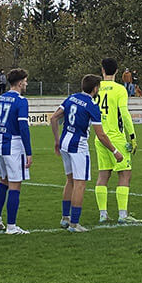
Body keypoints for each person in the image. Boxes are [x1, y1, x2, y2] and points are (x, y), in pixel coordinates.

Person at [50, 74, 120, 232]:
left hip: (65, 142)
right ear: (95, 88)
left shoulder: (72, 98)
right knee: (80, 184)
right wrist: (115, 151)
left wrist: (56, 140)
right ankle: (74, 224)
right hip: (78, 146)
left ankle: (65, 218)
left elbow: (54, 118)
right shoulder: (92, 105)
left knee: (70, 181)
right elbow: (101, 135)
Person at [92, 57, 141, 224]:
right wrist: (132, 136)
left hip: (99, 137)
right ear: (117, 71)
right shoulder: (120, 89)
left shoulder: (96, 88)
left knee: (103, 175)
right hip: (116, 138)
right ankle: (122, 214)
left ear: (102, 70)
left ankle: (103, 214)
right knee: (125, 174)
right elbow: (125, 114)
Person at [0, 68, 34, 234]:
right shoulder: (21, 101)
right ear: (21, 82)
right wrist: (28, 152)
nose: (27, 84)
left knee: (4, 181)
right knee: (15, 184)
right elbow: (23, 127)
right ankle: (12, 226)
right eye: (26, 81)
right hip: (13, 145)